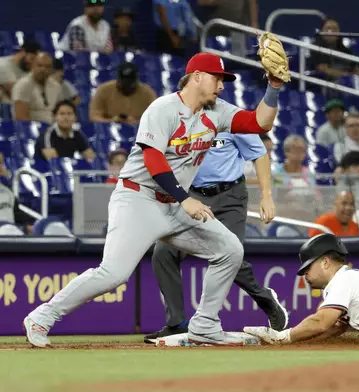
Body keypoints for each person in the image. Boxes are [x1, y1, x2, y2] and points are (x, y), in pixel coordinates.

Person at [23, 51, 284, 348]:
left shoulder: (218, 110)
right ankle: (42, 317)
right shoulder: (162, 108)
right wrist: (185, 199)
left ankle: (205, 325)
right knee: (113, 274)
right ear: (196, 77)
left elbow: (258, 123)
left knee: (230, 250)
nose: (221, 86)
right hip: (139, 199)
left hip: (174, 204)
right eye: (217, 78)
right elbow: (153, 158)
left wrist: (273, 87)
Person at [144, 129, 288, 344]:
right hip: (192, 196)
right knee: (163, 251)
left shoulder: (232, 118)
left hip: (230, 197)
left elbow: (259, 153)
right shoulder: (181, 119)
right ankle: (176, 324)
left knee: (230, 254)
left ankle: (264, 298)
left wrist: (266, 196)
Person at [89, 62, 157, 124]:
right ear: (118, 79)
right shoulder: (103, 89)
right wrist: (112, 121)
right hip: (110, 130)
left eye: (130, 82)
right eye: (124, 82)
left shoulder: (147, 92)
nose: (127, 85)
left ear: (136, 80)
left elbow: (156, 118)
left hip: (139, 131)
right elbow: (94, 116)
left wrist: (136, 122)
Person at [12, 52, 62, 123]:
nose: (43, 69)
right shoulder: (22, 86)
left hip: (53, 128)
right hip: (33, 130)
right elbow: (21, 119)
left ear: (51, 69)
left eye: (47, 66)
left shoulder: (56, 86)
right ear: (32, 66)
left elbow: (60, 111)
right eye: (39, 65)